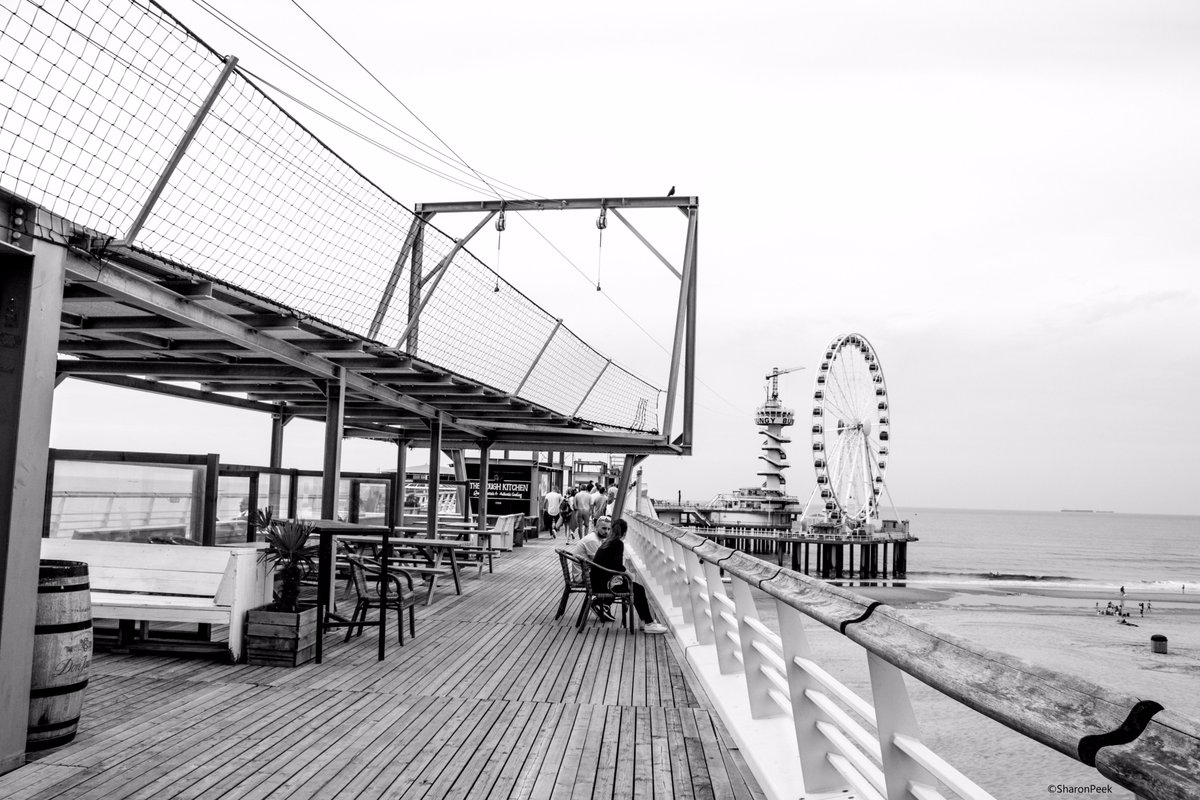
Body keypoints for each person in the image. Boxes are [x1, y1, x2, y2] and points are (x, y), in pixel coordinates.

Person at [590, 519, 667, 634]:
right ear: (625, 533)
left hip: (598, 581)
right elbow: (617, 566)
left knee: (638, 589)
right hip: (606, 585)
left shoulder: (608, 542)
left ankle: (645, 622)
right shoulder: (618, 543)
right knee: (638, 590)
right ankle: (648, 623)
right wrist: (628, 574)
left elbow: (611, 565)